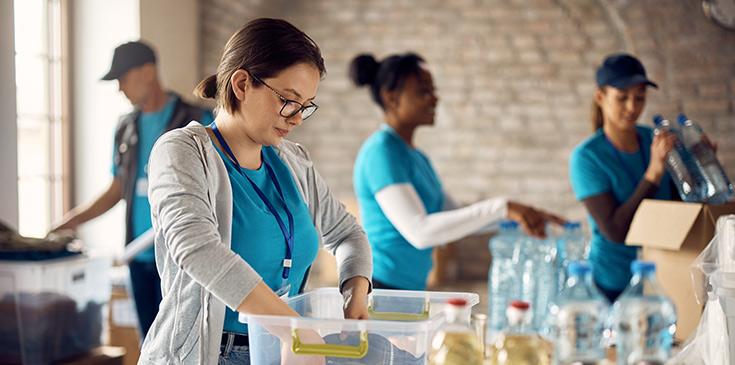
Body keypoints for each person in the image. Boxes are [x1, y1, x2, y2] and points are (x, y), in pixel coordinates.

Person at [138, 18, 372, 364]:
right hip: (210, 352)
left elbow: (347, 232)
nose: (296, 119)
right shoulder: (181, 151)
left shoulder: (293, 161)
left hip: (278, 349)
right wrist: (293, 329)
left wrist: (355, 289)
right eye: (289, 100)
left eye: (306, 105)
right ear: (243, 84)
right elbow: (197, 249)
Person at [349, 53, 564, 291]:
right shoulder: (381, 152)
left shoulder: (416, 157)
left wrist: (518, 214)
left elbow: (456, 214)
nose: (435, 97)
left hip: (410, 288)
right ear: (392, 98)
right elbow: (419, 231)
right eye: (424, 91)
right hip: (379, 288)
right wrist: (502, 207)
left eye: (433, 89)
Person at [50, 40, 214, 337]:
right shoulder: (125, 127)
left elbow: (217, 188)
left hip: (182, 259)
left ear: (148, 72)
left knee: (183, 344)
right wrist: (70, 222)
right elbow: (116, 190)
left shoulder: (197, 120)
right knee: (149, 345)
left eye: (123, 79)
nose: (120, 89)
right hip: (137, 258)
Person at [568, 53, 680, 303]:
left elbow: (680, 208)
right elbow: (615, 231)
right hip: (612, 284)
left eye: (640, 97)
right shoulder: (587, 157)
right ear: (600, 97)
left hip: (663, 275)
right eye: (622, 97)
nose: (632, 107)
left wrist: (698, 170)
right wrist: (653, 174)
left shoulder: (654, 140)